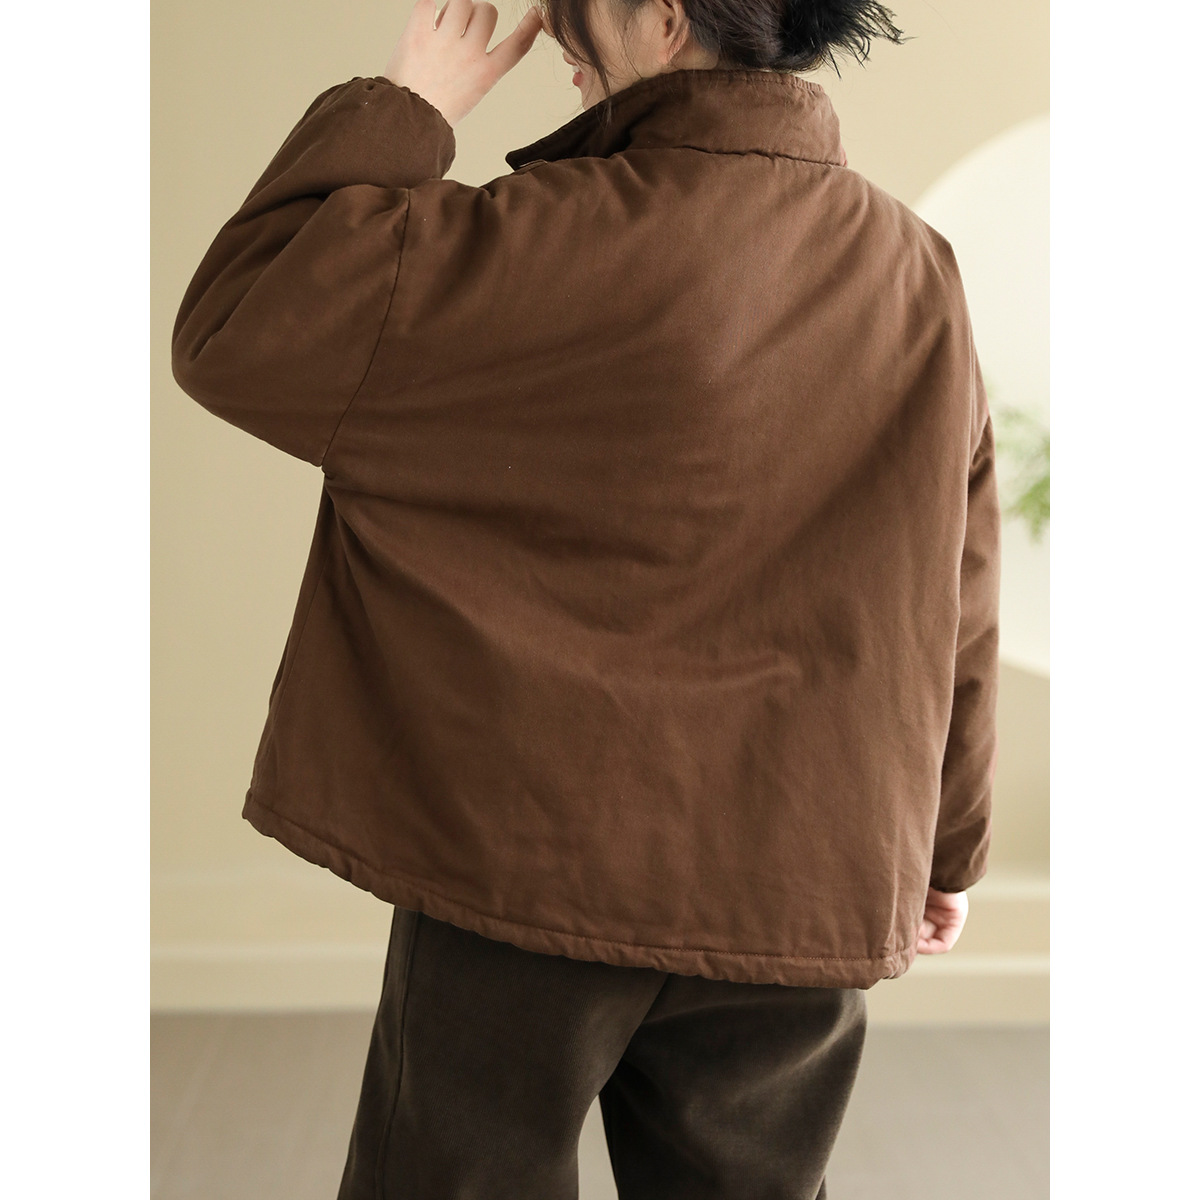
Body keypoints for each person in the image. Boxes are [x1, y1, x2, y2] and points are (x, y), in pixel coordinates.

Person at [170, 0, 1001, 1194]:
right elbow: (954, 585)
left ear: (662, 17)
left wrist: (409, 106)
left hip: (523, 871)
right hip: (799, 879)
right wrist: (948, 845)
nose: (556, 25)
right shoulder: (920, 273)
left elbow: (241, 323)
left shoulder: (529, 239)